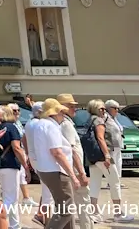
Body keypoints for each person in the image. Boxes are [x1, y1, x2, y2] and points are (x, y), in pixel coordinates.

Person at [32, 99, 82, 229]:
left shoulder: (39, 124)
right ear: (54, 113)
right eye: (61, 112)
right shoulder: (51, 126)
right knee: (65, 210)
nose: (63, 115)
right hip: (56, 171)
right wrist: (73, 176)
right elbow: (57, 153)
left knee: (65, 208)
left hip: (46, 169)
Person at [85, 99, 132, 222]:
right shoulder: (99, 121)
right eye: (101, 108)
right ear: (95, 108)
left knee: (95, 182)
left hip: (93, 156)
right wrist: (107, 155)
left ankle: (94, 212)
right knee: (114, 181)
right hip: (102, 156)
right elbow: (100, 138)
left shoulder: (90, 120)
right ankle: (118, 213)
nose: (103, 110)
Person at [55, 93, 92, 229]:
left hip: (67, 169)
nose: (74, 109)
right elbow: (72, 151)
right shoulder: (66, 124)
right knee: (83, 204)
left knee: (69, 205)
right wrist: (81, 173)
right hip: (74, 169)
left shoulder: (60, 123)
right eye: (71, 106)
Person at [0, 104, 28, 229]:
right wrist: (25, 165)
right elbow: (17, 147)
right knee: (11, 198)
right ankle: (2, 224)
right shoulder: (11, 128)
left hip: (0, 164)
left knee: (7, 195)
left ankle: (12, 224)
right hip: (11, 164)